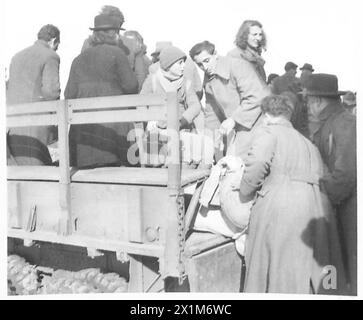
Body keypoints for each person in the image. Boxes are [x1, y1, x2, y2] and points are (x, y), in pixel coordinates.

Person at [239, 94, 345, 294]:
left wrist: (245, 190)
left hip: (283, 207)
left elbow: (258, 162)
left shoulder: (268, 133)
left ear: (266, 115)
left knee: (277, 269)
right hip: (317, 209)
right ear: (288, 116)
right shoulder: (308, 143)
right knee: (310, 274)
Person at [304, 74, 357, 295]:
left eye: (307, 101)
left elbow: (346, 173)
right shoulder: (333, 121)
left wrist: (325, 193)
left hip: (351, 208)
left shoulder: (343, 122)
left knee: (355, 268)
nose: (306, 106)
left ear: (317, 101)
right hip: (344, 204)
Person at [65, 14, 138, 169]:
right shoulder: (118, 54)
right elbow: (131, 86)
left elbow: (68, 95)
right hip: (113, 136)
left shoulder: (78, 59)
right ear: (115, 34)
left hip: (83, 142)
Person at [189, 40, 270, 160]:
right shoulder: (209, 77)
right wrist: (209, 139)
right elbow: (212, 112)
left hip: (257, 123)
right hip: (237, 127)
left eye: (207, 61)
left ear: (215, 54)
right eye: (200, 64)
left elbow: (257, 97)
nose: (204, 67)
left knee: (242, 164)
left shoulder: (238, 66)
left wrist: (234, 119)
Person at [140, 46, 204, 167]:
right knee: (157, 158)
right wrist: (152, 120)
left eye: (184, 63)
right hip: (157, 130)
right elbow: (140, 104)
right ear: (169, 65)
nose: (183, 66)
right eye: (180, 63)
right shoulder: (152, 81)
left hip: (180, 127)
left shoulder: (185, 82)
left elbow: (195, 105)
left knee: (190, 158)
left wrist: (182, 120)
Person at [6, 24, 61, 165]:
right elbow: (51, 92)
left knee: (20, 172)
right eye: (58, 44)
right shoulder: (51, 56)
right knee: (41, 172)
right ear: (54, 40)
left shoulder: (16, 56)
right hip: (37, 125)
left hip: (13, 124)